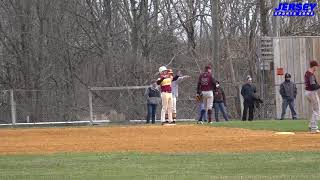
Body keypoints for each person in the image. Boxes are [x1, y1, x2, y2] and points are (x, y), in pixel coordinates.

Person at [304, 60, 320, 133]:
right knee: (317, 110)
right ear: (314, 66)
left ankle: (311, 126)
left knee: (314, 110)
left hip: (308, 92)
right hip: (312, 92)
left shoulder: (307, 73)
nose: (317, 68)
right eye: (316, 66)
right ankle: (313, 128)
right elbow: (313, 86)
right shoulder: (311, 74)